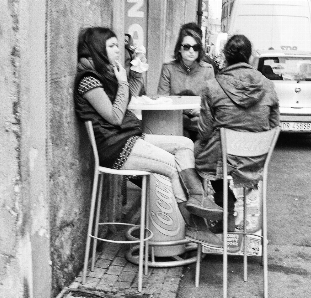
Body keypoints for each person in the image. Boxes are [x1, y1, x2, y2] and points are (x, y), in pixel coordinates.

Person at [74, 27, 224, 245]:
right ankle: (194, 226)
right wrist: (123, 82)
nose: (118, 50)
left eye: (118, 45)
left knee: (184, 144)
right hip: (115, 147)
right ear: (98, 48)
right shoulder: (88, 80)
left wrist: (134, 73)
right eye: (112, 46)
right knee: (173, 165)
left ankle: (198, 197)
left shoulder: (105, 73)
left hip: (128, 139)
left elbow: (130, 98)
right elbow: (115, 116)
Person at [195, 34, 280, 232]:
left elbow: (205, 132)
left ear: (225, 57)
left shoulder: (212, 86)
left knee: (192, 153)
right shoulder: (268, 86)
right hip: (255, 159)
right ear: (250, 57)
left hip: (221, 161)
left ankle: (216, 210)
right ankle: (237, 207)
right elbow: (274, 125)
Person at [157, 27, 215, 140]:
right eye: (187, 47)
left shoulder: (207, 70)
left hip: (199, 125)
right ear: (179, 48)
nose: (191, 51)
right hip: (175, 123)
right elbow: (162, 101)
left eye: (196, 47)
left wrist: (202, 109)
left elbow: (211, 103)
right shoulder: (168, 69)